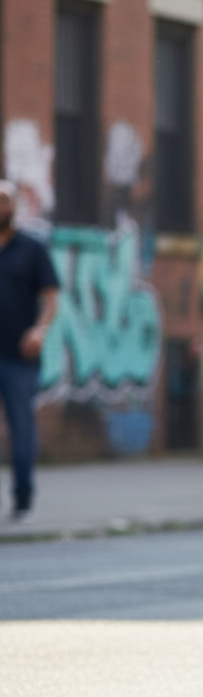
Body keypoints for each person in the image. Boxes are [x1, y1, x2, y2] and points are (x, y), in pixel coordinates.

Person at [0, 181, 60, 523]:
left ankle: (23, 499)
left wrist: (39, 330)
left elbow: (52, 298)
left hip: (19, 359)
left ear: (14, 206)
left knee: (21, 429)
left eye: (5, 200)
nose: (0, 206)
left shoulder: (32, 249)